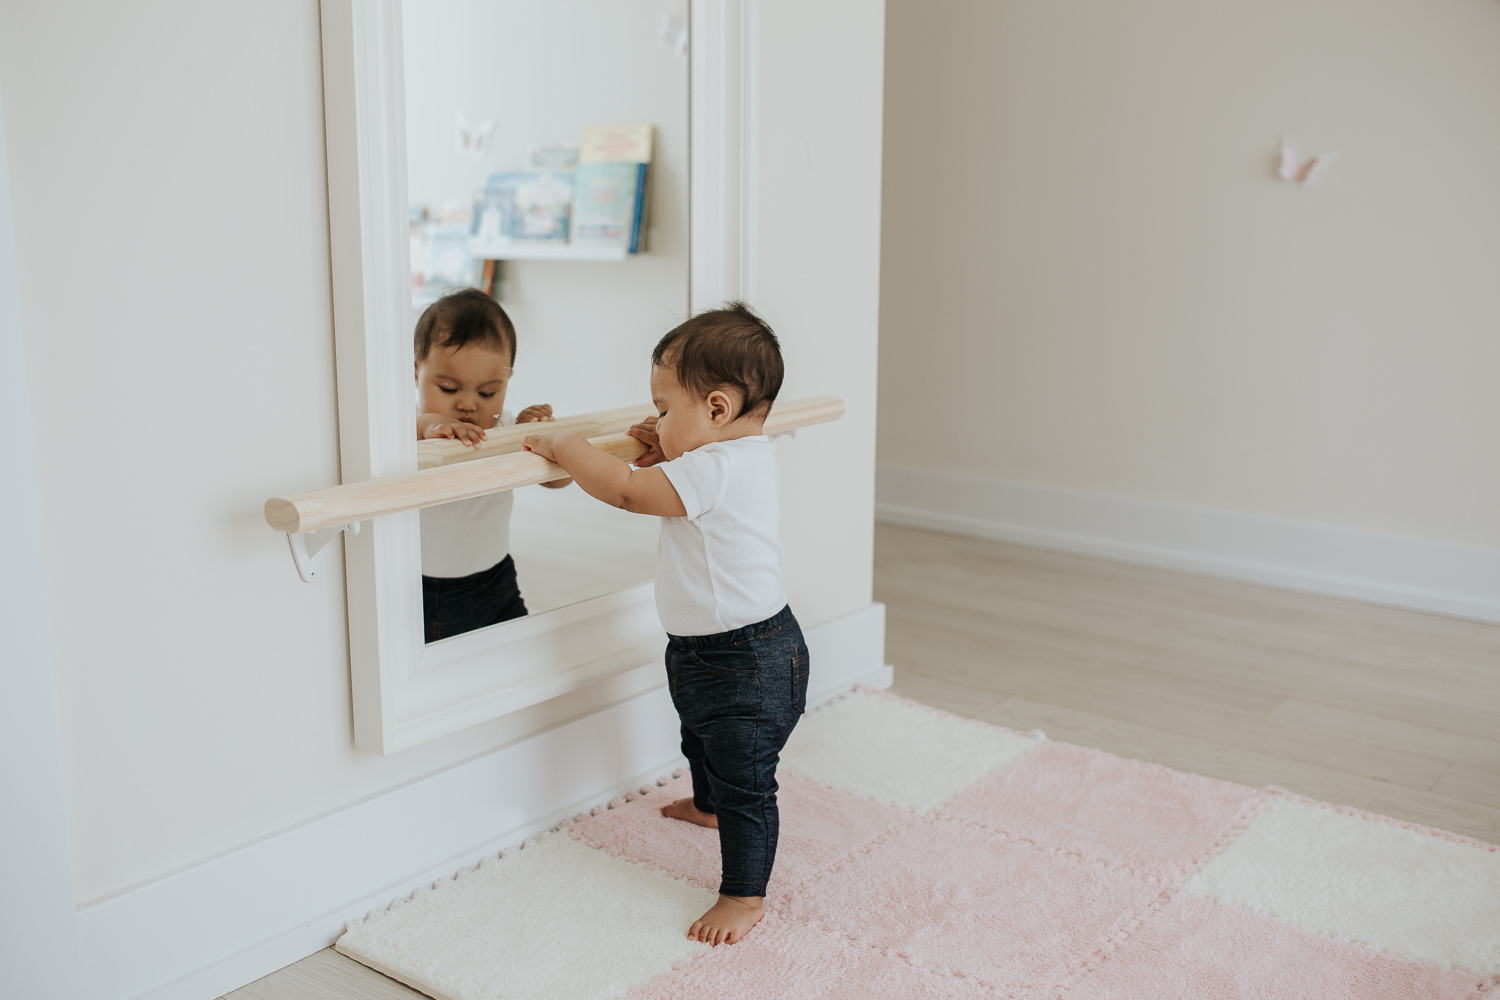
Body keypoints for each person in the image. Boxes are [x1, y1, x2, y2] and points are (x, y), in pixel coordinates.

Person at [522, 302, 806, 947]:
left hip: (747, 660)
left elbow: (627, 491)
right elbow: (677, 492)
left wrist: (570, 448)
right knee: (699, 739)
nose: (654, 422)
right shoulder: (742, 458)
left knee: (746, 782)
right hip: (725, 649)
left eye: (663, 409)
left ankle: (743, 894)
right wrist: (664, 447)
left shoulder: (714, 466)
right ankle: (706, 806)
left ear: (715, 410)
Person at [415, 288, 565, 642]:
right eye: (448, 388)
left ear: (507, 382)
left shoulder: (503, 426)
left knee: (514, 651)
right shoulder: (406, 427)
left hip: (496, 575)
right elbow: (406, 436)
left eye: (487, 393)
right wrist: (429, 426)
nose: (468, 404)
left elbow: (557, 481)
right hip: (427, 587)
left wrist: (539, 437)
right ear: (416, 374)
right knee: (444, 671)